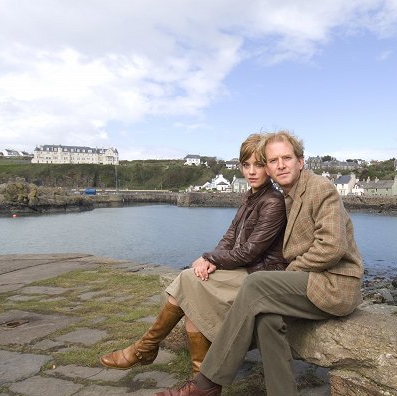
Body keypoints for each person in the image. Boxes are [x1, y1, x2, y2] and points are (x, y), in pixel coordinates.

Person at [149, 130, 364, 396]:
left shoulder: (321, 189)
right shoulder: (286, 196)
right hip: (307, 284)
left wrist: (286, 274)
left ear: (301, 161)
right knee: (266, 318)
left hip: (333, 284)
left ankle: (206, 384)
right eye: (273, 160)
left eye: (286, 158)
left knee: (257, 284)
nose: (280, 165)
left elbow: (331, 247)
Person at [99, 133, 288, 373]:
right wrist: (211, 259)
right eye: (246, 165)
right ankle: (193, 372)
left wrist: (210, 258)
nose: (251, 171)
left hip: (259, 275)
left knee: (189, 281)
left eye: (258, 165)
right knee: (192, 285)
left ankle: (146, 349)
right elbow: (229, 238)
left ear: (269, 168)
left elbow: (250, 252)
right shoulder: (251, 197)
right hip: (245, 269)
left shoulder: (272, 202)